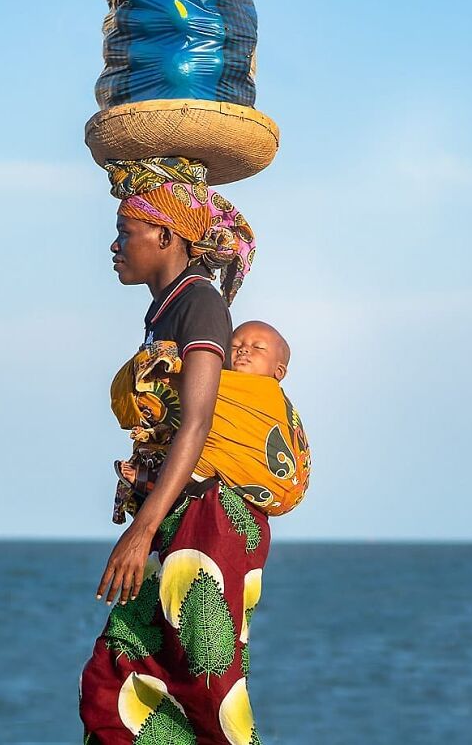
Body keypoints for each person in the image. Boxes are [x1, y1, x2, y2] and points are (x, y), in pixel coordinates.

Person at [80, 162, 270, 745]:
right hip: (179, 516)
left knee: (208, 690)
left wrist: (141, 532)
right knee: (119, 680)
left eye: (125, 231)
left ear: (165, 236)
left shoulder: (200, 303)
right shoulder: (166, 308)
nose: (114, 245)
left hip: (210, 521)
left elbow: (197, 423)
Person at [114, 320, 311, 518]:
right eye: (234, 345)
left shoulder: (268, 394)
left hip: (278, 478)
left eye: (257, 347)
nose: (243, 350)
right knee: (204, 436)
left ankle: (162, 481)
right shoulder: (223, 389)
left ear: (279, 371)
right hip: (246, 473)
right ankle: (174, 483)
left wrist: (170, 372)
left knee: (197, 437)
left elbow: (190, 379)